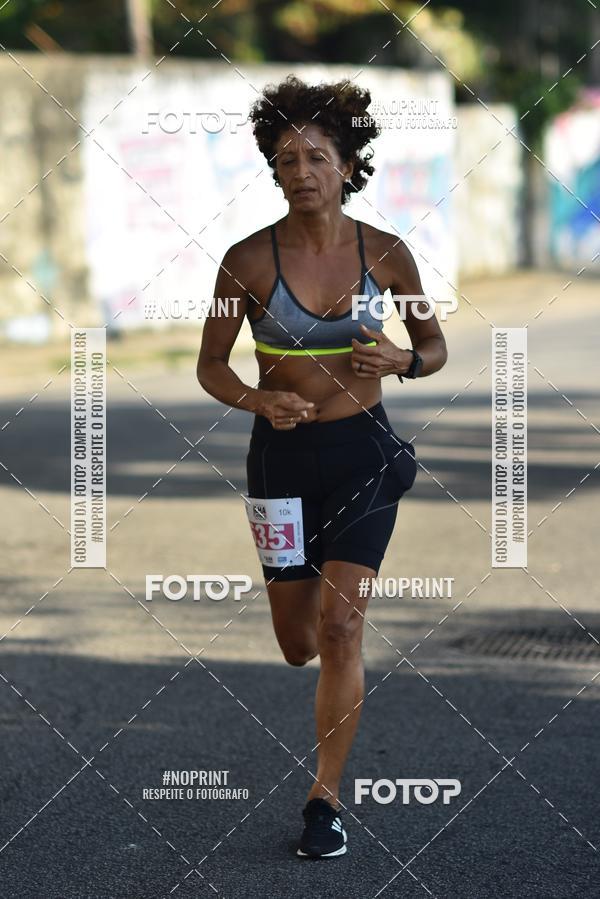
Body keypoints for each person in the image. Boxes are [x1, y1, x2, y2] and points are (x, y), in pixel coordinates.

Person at [197, 74, 447, 859]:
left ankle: (324, 800)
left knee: (342, 627)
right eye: (284, 158)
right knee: (297, 641)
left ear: (346, 165)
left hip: (364, 452)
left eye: (315, 156)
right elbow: (210, 366)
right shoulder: (245, 263)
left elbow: (434, 349)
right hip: (280, 459)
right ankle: (308, 668)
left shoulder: (389, 255)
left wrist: (404, 359)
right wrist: (258, 401)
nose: (299, 170)